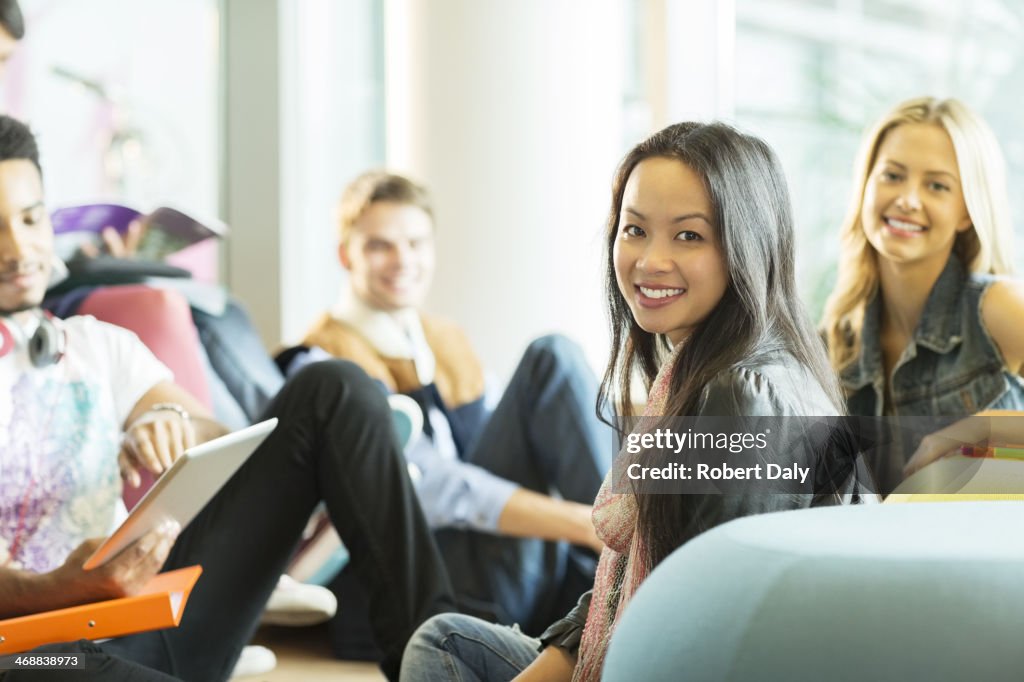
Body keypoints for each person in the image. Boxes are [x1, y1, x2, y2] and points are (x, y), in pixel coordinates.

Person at [399, 121, 867, 681]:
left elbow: (697, 638)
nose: (650, 260)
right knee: (445, 641)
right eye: (635, 230)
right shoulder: (702, 367)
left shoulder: (741, 394)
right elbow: (623, 588)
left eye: (688, 236)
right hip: (647, 645)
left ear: (748, 245)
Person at [0, 114, 454, 681]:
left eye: (30, 218)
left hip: (158, 615)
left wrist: (165, 422)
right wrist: (61, 588)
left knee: (333, 387)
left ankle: (436, 663)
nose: (20, 248)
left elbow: (217, 440)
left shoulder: (97, 344)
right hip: (38, 648)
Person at [299, 171, 612, 641]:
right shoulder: (322, 362)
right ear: (346, 255)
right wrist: (590, 525)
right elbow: (435, 490)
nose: (402, 260)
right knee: (550, 357)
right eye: (380, 246)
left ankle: (629, 554)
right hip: (434, 569)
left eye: (416, 243)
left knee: (555, 359)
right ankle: (630, 552)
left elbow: (510, 444)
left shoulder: (442, 340)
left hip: (498, 557)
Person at [820, 96, 1024, 491]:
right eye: (892, 176)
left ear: (967, 211)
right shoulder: (835, 344)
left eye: (936, 185)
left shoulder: (997, 309)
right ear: (865, 185)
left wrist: (980, 430)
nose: (908, 200)